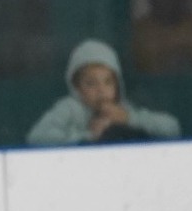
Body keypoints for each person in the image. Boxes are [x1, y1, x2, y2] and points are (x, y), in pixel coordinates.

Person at [27, 39, 181, 146]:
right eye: (91, 83)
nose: (101, 90)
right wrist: (90, 137)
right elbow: (37, 137)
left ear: (117, 84)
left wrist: (128, 119)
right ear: (77, 87)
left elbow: (172, 128)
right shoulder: (69, 108)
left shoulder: (122, 110)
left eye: (108, 82)